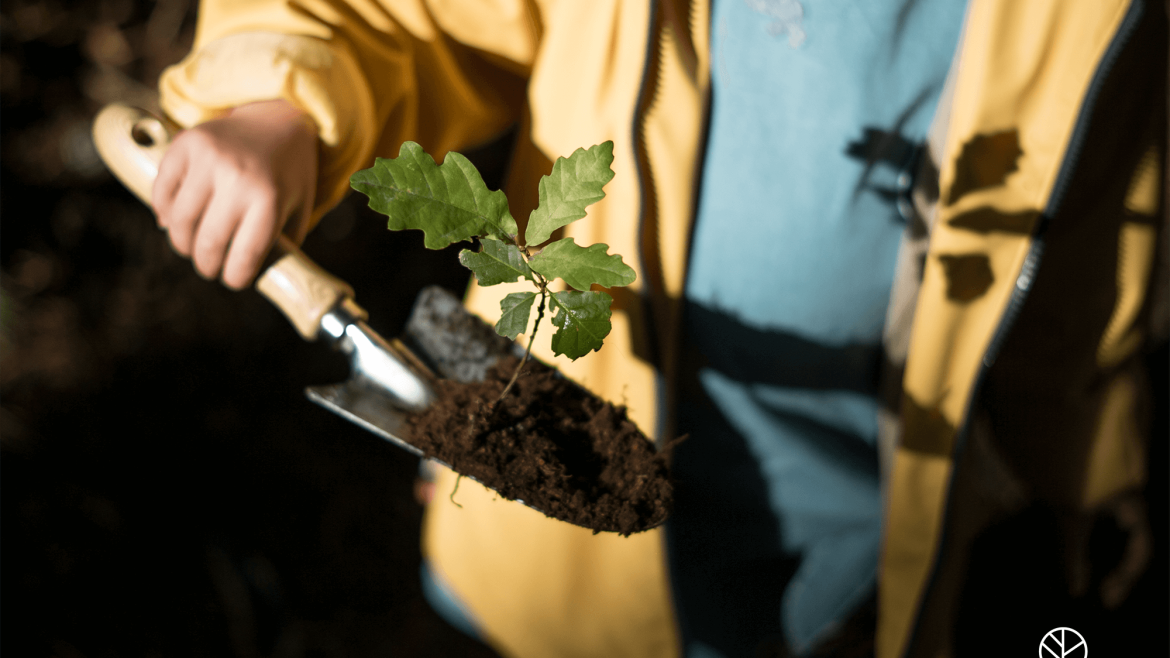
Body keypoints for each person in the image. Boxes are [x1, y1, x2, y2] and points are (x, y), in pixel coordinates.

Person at [151, 0, 1166, 655]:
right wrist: (274, 109)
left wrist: (1077, 478)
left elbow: (1084, 264)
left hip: (878, 532)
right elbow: (404, 19)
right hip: (558, 486)